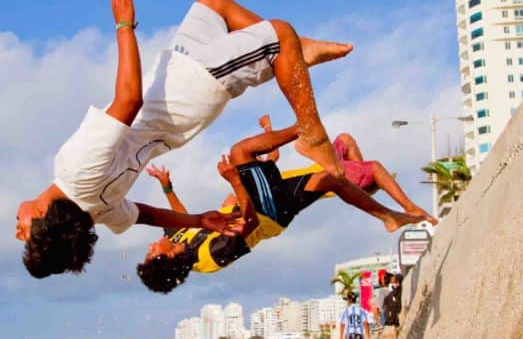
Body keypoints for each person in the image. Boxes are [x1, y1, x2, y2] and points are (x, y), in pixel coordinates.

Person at [16, 0, 354, 279]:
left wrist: (198, 222)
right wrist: (123, 25)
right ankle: (311, 133)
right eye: (25, 233)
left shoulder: (91, 211)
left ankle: (301, 50)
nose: (18, 231)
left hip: (173, 83)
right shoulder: (74, 172)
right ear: (44, 215)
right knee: (279, 35)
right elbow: (128, 101)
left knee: (212, 4)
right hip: (188, 89)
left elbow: (141, 215)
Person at [136, 124, 428, 293]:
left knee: (333, 179)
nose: (151, 245)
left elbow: (181, 216)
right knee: (240, 153)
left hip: (264, 204)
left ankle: (386, 212)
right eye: (152, 252)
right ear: (165, 259)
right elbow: (249, 223)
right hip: (266, 214)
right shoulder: (210, 258)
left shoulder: (177, 240)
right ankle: (304, 126)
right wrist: (237, 182)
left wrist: (167, 186)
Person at [257, 114, 437, 225]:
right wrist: (267, 127)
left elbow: (272, 155)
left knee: (345, 139)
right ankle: (409, 207)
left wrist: (267, 128)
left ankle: (362, 185)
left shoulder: (262, 174)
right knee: (374, 167)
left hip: (320, 167)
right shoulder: (263, 187)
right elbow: (272, 154)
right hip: (324, 175)